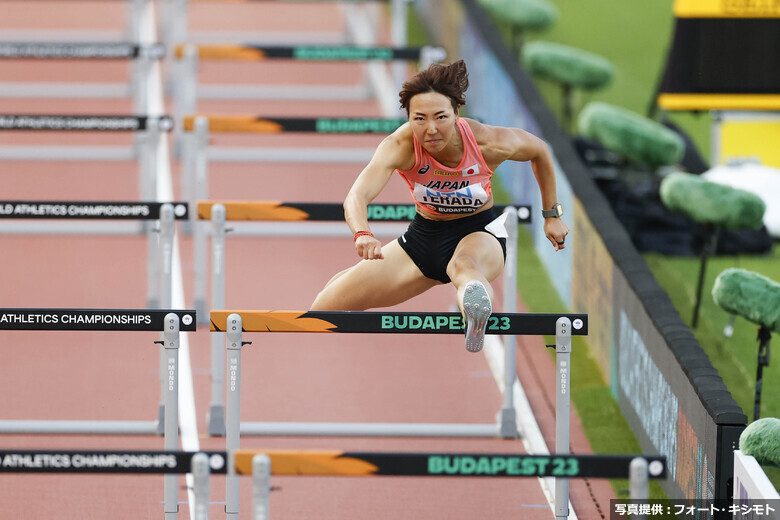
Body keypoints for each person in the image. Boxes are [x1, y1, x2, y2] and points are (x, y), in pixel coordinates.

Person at [310, 59, 568, 353]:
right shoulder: (400, 146)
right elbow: (356, 197)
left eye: (440, 117)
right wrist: (362, 233)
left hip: (479, 233)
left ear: (457, 113)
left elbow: (540, 151)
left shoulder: (487, 143)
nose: (430, 129)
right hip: (423, 240)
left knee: (464, 266)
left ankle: (475, 310)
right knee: (322, 311)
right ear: (408, 118)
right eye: (419, 119)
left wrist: (551, 215)